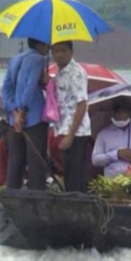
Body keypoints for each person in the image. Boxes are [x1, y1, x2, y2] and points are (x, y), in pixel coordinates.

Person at [1, 38, 49, 190]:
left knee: (16, 161)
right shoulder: (39, 59)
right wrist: (22, 112)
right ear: (40, 44)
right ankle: (36, 196)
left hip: (13, 121)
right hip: (33, 118)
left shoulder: (15, 59)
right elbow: (29, 87)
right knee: (36, 161)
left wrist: (14, 113)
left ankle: (12, 193)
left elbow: (6, 89)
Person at [49, 41, 91, 192]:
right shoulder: (58, 74)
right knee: (68, 173)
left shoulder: (76, 73)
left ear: (71, 52)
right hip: (63, 129)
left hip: (77, 132)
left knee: (75, 175)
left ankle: (77, 208)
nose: (59, 54)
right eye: (56, 51)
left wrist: (70, 136)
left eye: (63, 50)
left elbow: (82, 105)